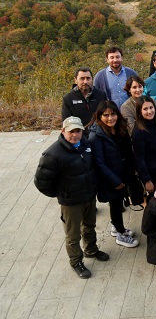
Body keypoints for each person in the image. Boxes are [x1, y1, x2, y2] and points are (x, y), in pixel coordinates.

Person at [34, 116, 109, 279]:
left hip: (89, 196)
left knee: (89, 225)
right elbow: (41, 182)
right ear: (63, 131)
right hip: (71, 202)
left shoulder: (86, 144)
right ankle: (76, 262)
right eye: (71, 131)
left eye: (78, 131)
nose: (75, 135)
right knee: (73, 235)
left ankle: (91, 249)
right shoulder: (52, 154)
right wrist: (62, 193)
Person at [88, 101, 140, 248]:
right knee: (115, 204)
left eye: (113, 114)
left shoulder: (119, 128)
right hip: (110, 178)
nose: (110, 118)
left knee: (117, 204)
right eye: (106, 115)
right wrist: (116, 181)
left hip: (123, 173)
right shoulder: (96, 136)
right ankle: (120, 234)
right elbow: (100, 163)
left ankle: (118, 228)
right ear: (99, 116)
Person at [132, 95, 156, 195]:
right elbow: (139, 159)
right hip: (152, 173)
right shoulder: (139, 132)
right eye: (145, 109)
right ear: (139, 112)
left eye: (151, 107)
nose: (149, 111)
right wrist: (147, 180)